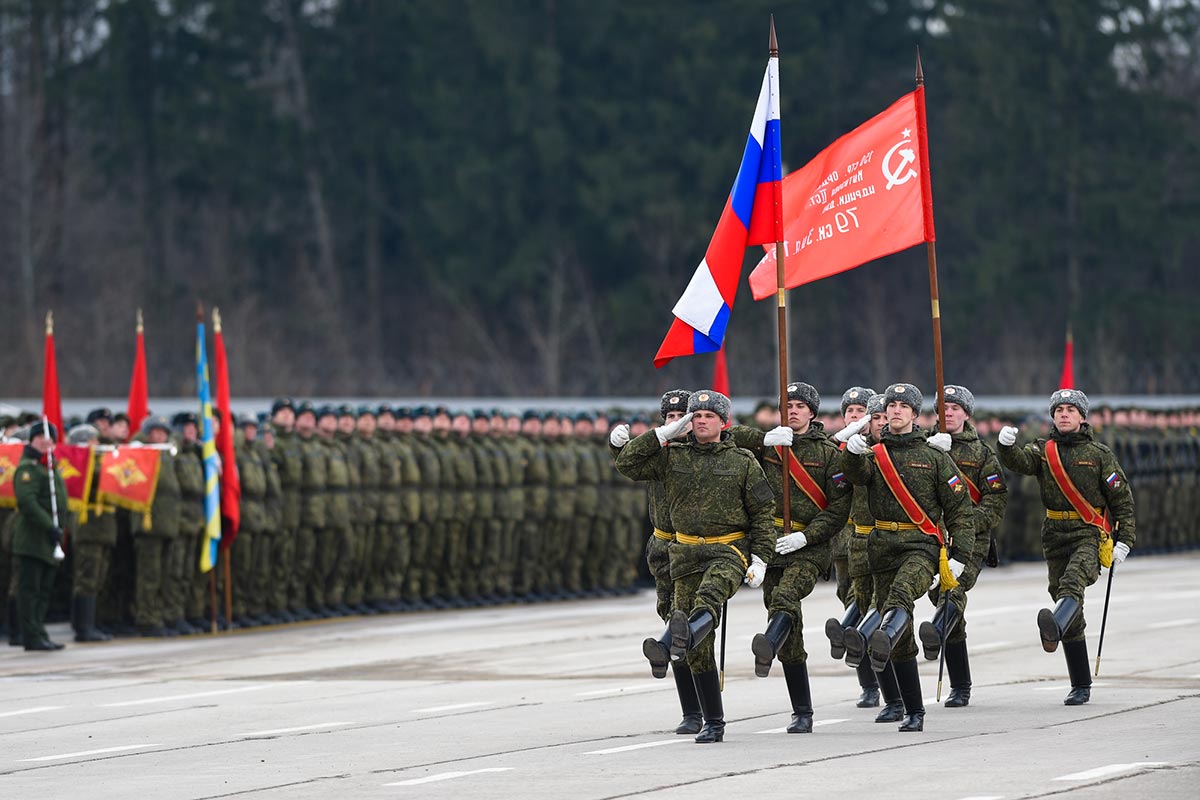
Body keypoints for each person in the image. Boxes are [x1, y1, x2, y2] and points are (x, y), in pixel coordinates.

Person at [616, 390, 774, 744]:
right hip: (684, 553)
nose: (700, 420)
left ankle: (671, 639)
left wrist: (761, 558)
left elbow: (763, 514)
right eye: (695, 415)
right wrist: (662, 435)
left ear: (723, 422)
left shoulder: (742, 460)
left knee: (707, 600)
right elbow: (626, 464)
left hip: (728, 550)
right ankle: (712, 720)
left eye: (707, 415)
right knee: (698, 647)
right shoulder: (672, 457)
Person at [839, 383, 975, 732]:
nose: (896, 410)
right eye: (891, 405)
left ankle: (881, 637)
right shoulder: (875, 452)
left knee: (900, 598)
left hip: (920, 546)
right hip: (881, 545)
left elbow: (960, 509)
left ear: (915, 414)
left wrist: (959, 555)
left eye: (903, 406)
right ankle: (911, 709)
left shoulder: (933, 457)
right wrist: (851, 452)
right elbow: (855, 478)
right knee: (898, 634)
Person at [997, 388, 1135, 705]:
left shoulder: (1099, 454)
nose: (1064, 414)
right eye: (1058, 410)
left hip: (1089, 532)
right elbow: (1020, 462)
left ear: (1082, 416)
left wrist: (1125, 540)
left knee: (1073, 583)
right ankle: (1080, 683)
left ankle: (1055, 626)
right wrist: (1005, 447)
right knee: (1061, 595)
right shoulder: (1044, 451)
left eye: (1071, 409)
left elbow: (1122, 502)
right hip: (1055, 532)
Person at [733, 382, 852, 734]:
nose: (794, 411)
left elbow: (839, 507)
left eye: (801, 406)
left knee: (786, 598)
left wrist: (807, 536)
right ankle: (802, 710)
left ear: (812, 413)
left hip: (809, 547)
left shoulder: (830, 454)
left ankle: (767, 643)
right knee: (788, 624)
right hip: (770, 545)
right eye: (788, 405)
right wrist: (764, 439)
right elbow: (729, 438)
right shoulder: (769, 445)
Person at [609, 389, 703, 735]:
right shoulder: (659, 453)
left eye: (683, 417)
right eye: (669, 418)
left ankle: (701, 709)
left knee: (684, 628)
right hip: (662, 548)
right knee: (673, 622)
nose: (676, 423)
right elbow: (628, 463)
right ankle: (690, 709)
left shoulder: (701, 454)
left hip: (694, 548)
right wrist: (618, 446)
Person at [918, 385, 1008, 708]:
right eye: (943, 408)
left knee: (951, 593)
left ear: (966, 414)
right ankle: (961, 684)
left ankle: (937, 634)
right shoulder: (921, 447)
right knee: (943, 600)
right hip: (932, 538)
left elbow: (996, 501)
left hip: (970, 542)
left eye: (955, 408)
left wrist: (966, 522)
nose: (949, 413)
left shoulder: (982, 454)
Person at [12, 421, 67, 651]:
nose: (46, 442)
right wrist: (49, 526)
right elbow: (27, 502)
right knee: (30, 590)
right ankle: (31, 635)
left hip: (49, 540)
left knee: (44, 591)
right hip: (33, 539)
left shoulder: (50, 467)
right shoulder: (27, 468)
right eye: (41, 438)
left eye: (50, 439)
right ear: (32, 440)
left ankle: (39, 631)